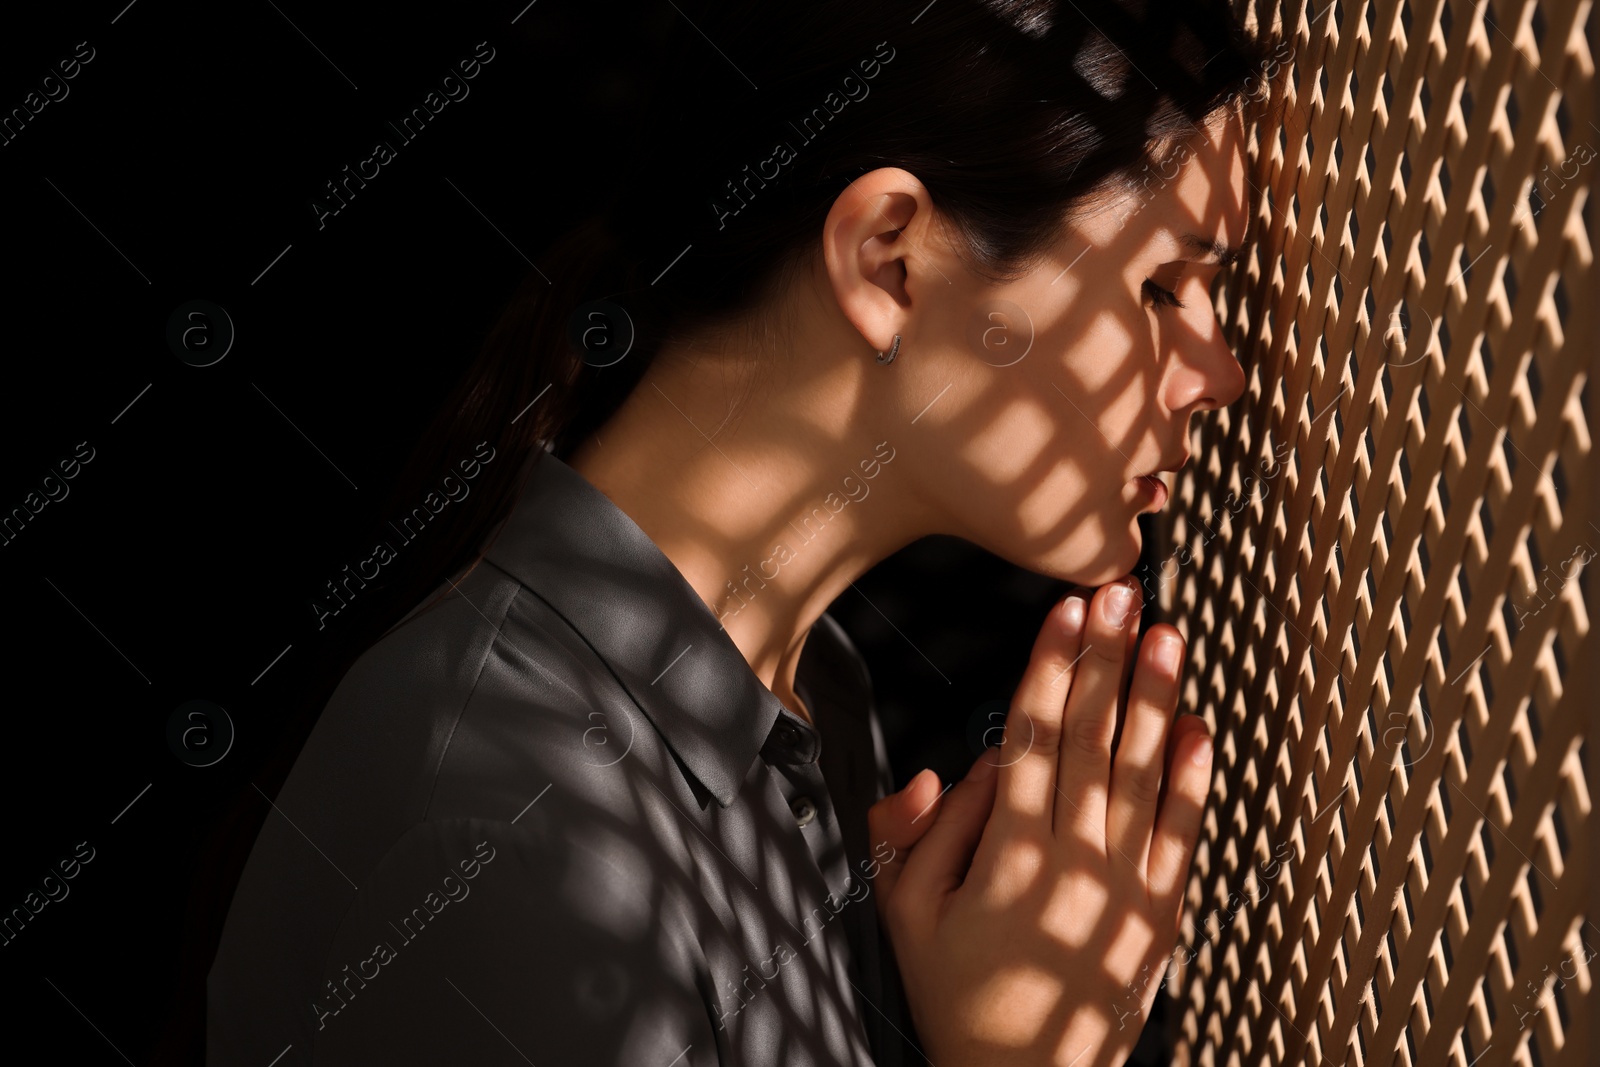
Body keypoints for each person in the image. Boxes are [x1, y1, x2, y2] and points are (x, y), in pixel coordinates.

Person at [204, 1, 1279, 1064]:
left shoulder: (809, 688)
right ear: (889, 258)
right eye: (1161, 288)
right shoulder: (523, 849)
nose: (1221, 371)